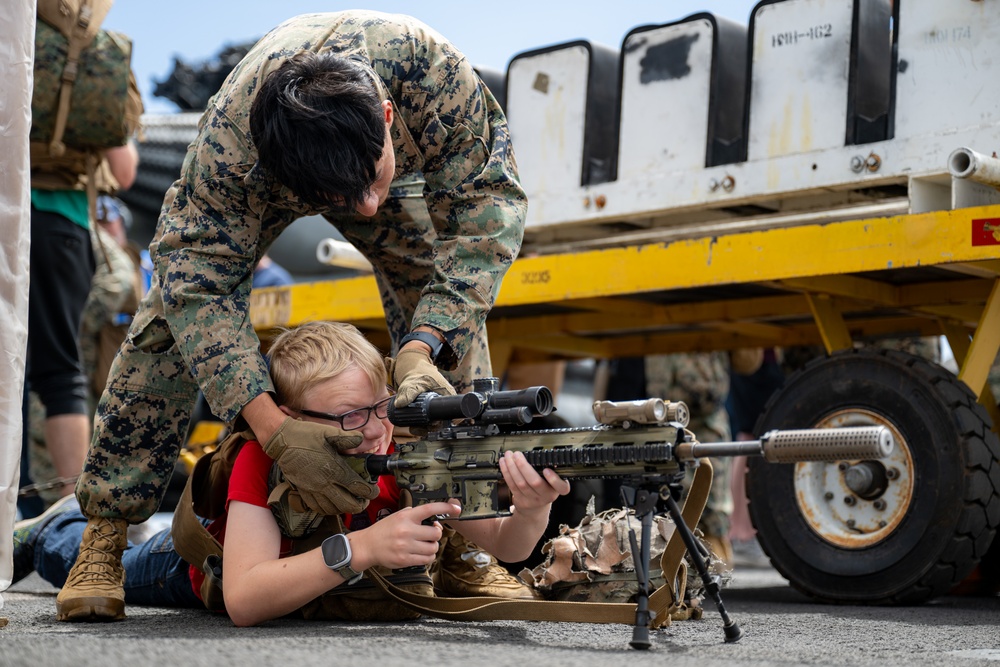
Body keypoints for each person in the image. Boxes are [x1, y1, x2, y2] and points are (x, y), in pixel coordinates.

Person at [60, 11, 525, 621]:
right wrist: (273, 427)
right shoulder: (231, 147)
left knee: (451, 333)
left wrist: (422, 347)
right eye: (344, 201)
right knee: (165, 326)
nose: (367, 207)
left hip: (381, 149)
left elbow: (487, 212)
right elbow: (197, 289)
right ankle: (103, 532)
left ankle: (464, 542)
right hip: (279, 167)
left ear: (387, 120)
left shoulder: (432, 75)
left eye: (372, 180)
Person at [14, 321, 568, 626]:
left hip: (310, 590)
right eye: (351, 417)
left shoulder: (404, 448)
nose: (377, 430)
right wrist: (368, 548)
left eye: (383, 406)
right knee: (67, 560)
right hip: (194, 570)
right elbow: (246, 599)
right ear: (294, 421)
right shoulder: (266, 457)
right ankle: (48, 529)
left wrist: (533, 506)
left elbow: (507, 546)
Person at [24, 87, 141, 518]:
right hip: (58, 215)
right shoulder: (89, 44)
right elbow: (123, 170)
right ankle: (72, 521)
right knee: (59, 375)